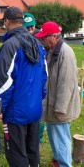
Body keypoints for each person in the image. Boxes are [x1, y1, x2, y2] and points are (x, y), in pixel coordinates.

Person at [0, 7, 47, 167]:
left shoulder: (9, 46)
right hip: (34, 109)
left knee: (16, 152)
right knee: (32, 149)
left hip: (16, 112)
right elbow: (44, 77)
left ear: (7, 22)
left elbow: (4, 81)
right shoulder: (37, 44)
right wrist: (38, 99)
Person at [35, 21, 80, 167]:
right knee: (54, 134)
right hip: (53, 102)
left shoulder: (65, 53)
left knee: (61, 135)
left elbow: (66, 83)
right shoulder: (53, 50)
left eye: (44, 37)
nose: (42, 40)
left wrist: (61, 108)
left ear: (53, 36)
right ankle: (59, 161)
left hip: (60, 105)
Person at [23, 12, 46, 146]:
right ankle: (28, 136)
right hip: (26, 80)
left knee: (38, 109)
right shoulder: (20, 39)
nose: (30, 30)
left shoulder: (39, 39)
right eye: (27, 27)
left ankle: (39, 138)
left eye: (32, 27)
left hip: (38, 79)